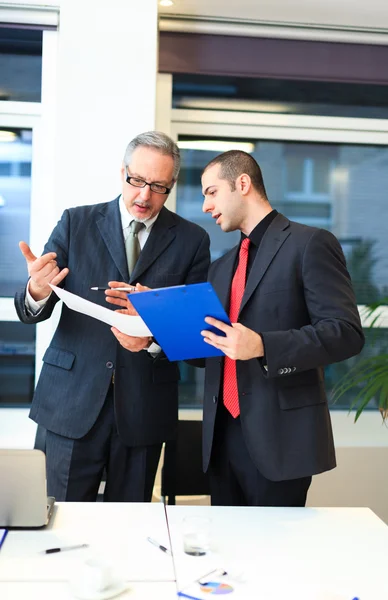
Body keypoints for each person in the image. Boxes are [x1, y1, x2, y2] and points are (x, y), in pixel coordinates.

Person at [14, 131, 210, 502]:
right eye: (136, 180)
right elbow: (32, 308)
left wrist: (152, 339)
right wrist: (37, 290)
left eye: (157, 186)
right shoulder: (76, 222)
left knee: (129, 531)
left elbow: (197, 338)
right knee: (59, 521)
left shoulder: (192, 241)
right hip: (70, 402)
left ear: (171, 186)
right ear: (122, 172)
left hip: (143, 411)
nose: (143, 196)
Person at [199, 150, 364, 507]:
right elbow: (213, 350)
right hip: (221, 439)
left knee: (274, 560)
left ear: (242, 183)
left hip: (280, 440)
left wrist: (262, 346)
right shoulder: (220, 267)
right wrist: (154, 332)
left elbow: (345, 332)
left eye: (211, 192)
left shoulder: (310, 244)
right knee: (228, 556)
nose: (205, 206)